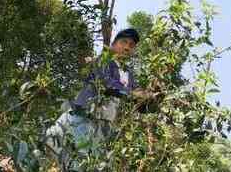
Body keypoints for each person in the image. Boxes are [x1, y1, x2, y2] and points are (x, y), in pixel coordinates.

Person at [44, 28, 153, 171]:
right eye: (123, 42)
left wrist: (151, 98)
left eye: (131, 45)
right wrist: (133, 94)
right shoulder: (104, 60)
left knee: (83, 163)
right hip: (82, 116)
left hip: (103, 126)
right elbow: (106, 84)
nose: (127, 47)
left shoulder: (129, 75)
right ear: (114, 45)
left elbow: (141, 103)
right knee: (50, 142)